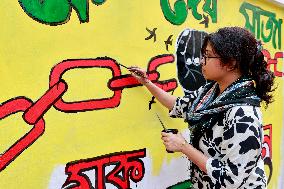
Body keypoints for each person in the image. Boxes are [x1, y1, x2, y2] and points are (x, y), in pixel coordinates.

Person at [128, 27, 275, 189]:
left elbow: (232, 180)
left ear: (230, 63)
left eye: (207, 56)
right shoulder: (212, 91)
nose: (201, 61)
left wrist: (183, 147)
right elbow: (181, 106)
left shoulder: (243, 114)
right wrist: (147, 82)